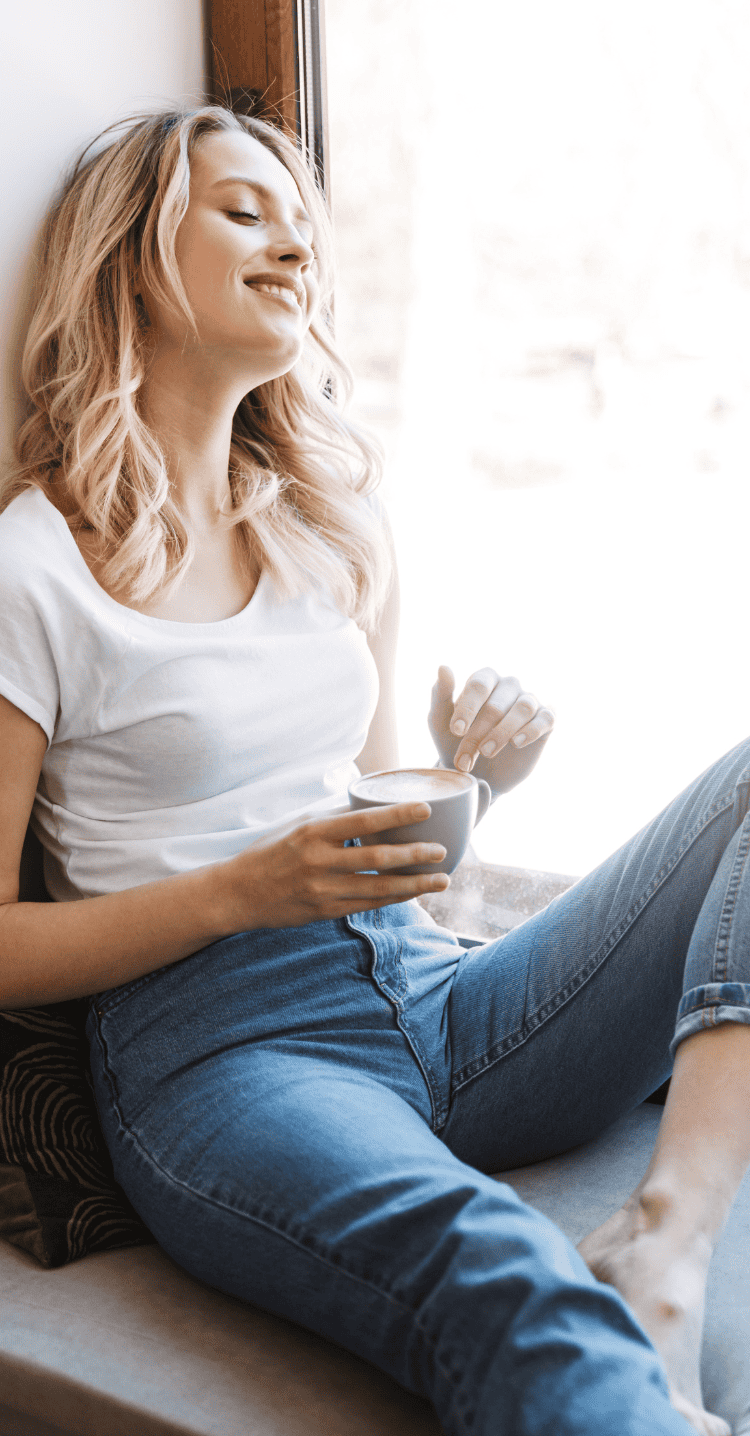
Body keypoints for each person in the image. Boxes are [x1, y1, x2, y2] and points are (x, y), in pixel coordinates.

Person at [0, 105, 747, 1436]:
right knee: (503, 1278)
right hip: (222, 1052)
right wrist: (240, 893)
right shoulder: (35, 567)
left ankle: (667, 1234)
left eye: (301, 220)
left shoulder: (326, 520)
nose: (293, 240)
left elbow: (357, 802)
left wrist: (475, 781)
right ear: (130, 257)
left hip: (434, 993)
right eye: (244, 210)